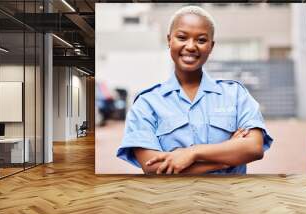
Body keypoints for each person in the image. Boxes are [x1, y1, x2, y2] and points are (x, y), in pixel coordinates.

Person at [117, 6, 273, 174]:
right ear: (169, 40)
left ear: (211, 46)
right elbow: (152, 167)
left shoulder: (235, 94)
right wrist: (225, 161)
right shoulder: (147, 103)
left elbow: (254, 148)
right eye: (182, 37)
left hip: (228, 198)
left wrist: (192, 152)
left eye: (201, 40)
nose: (191, 46)